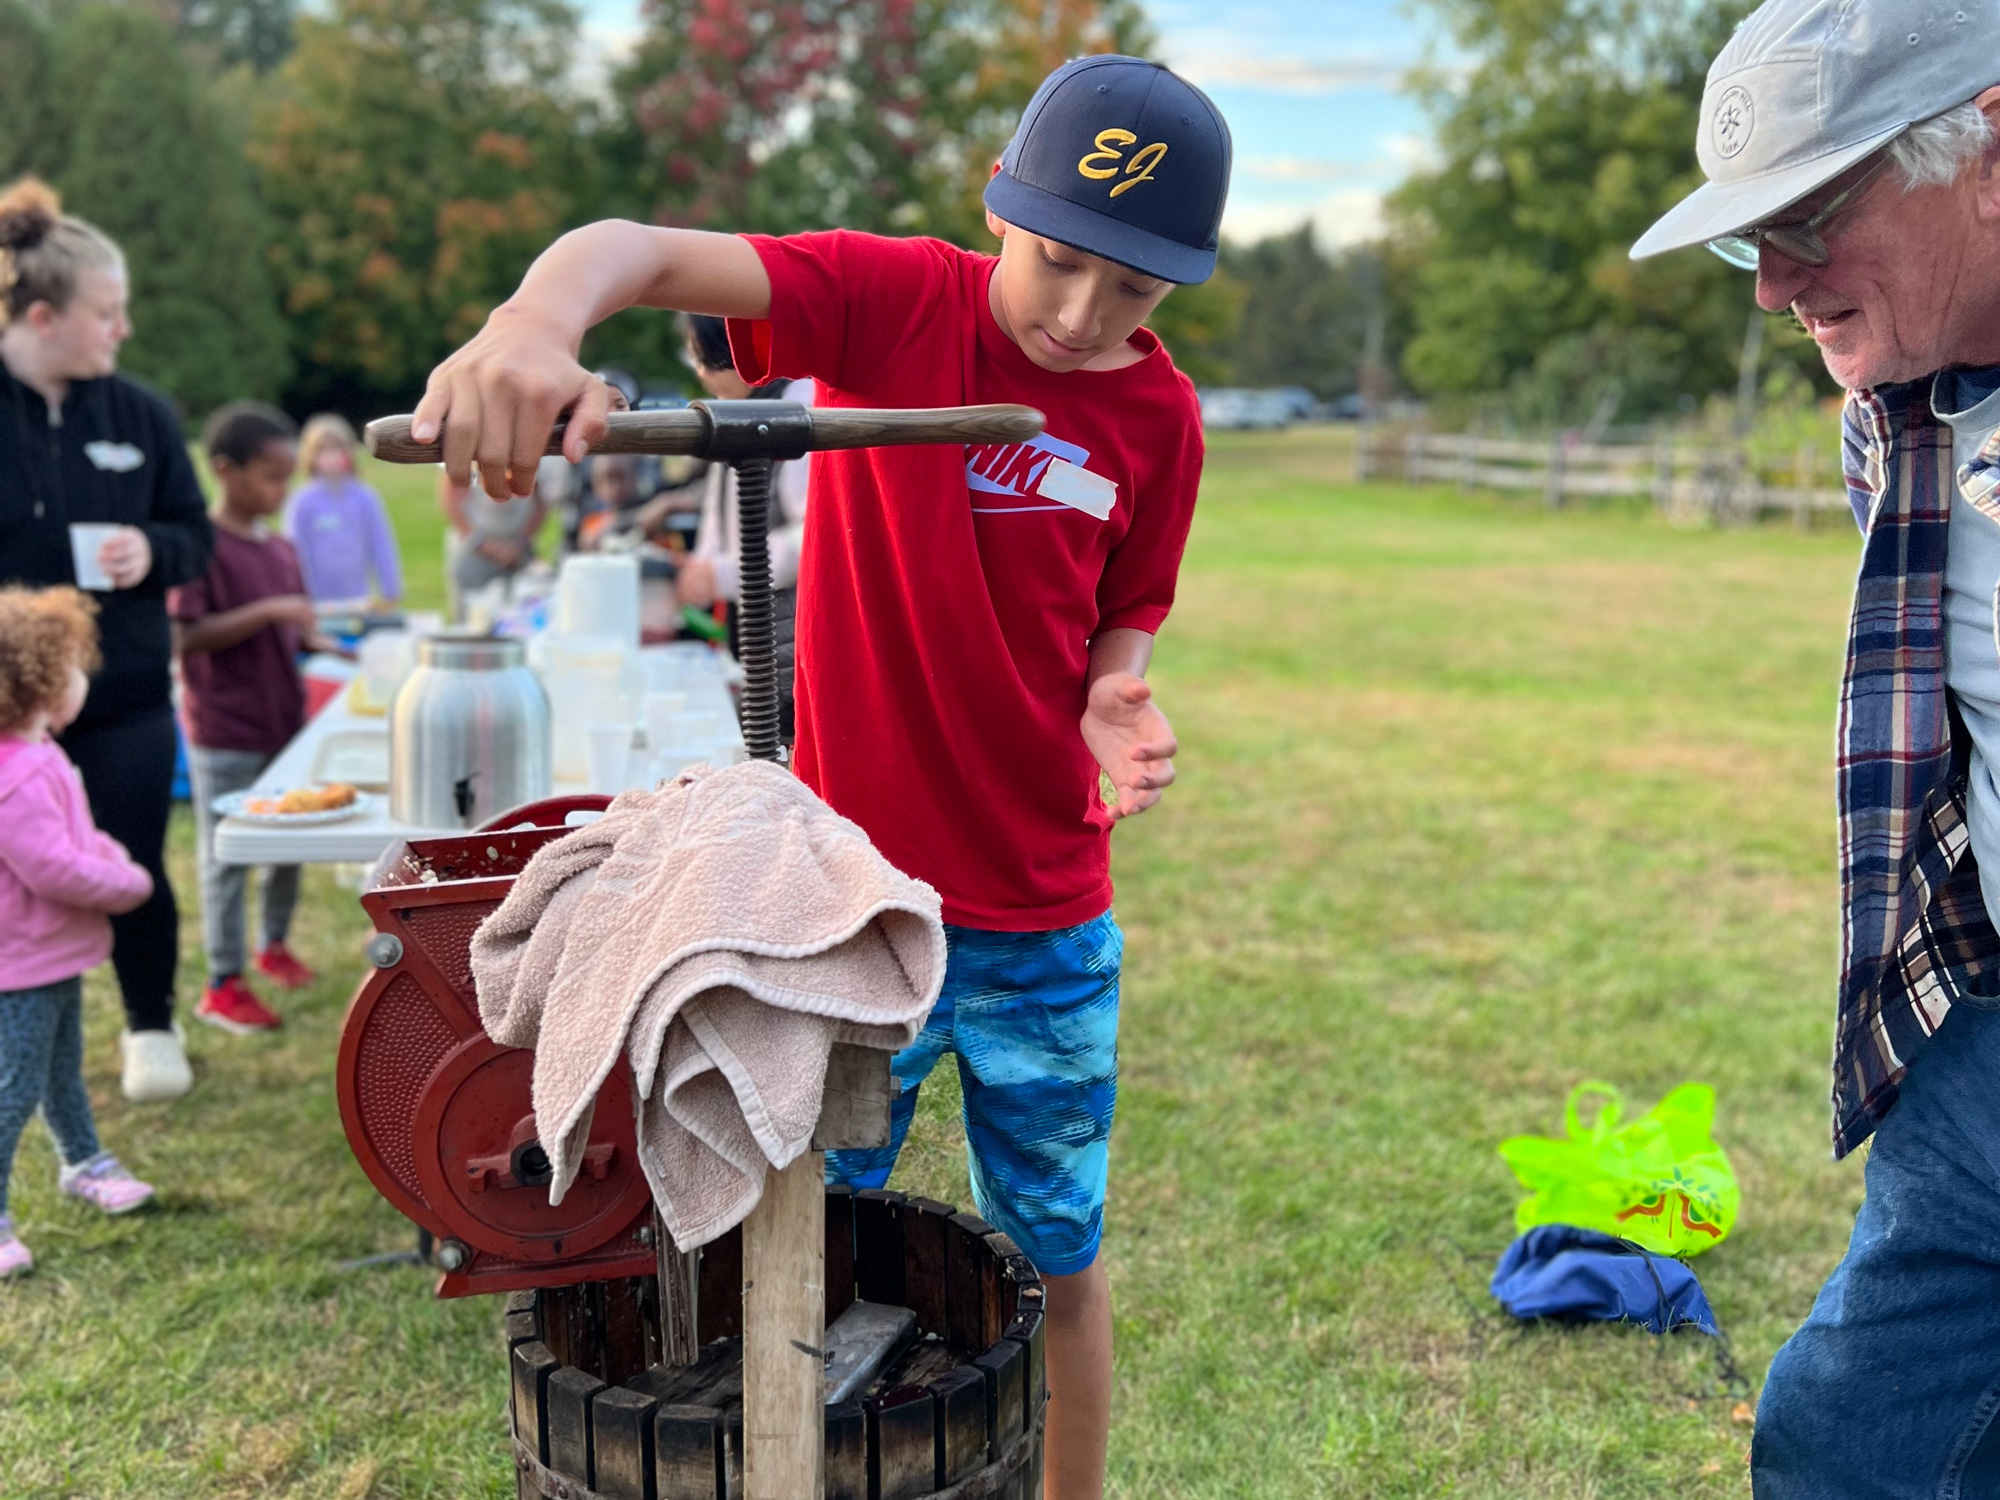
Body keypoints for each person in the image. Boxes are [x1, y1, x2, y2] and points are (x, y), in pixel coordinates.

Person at [410, 55, 1229, 1499]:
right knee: (785, 1234)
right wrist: (536, 319)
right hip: (848, 910)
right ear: (1001, 205)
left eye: (1137, 293)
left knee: (1062, 1262)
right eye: (1057, 262)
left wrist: (1114, 698)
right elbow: (643, 251)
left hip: (1049, 924)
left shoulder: (1159, 419)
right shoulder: (889, 299)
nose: (1083, 317)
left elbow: (1125, 609)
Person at [1631, 3, 2000, 1491]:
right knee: (1845, 1437)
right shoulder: (1890, 416)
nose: (1774, 290)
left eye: (1812, 220)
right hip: (1978, 1036)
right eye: (1750, 239)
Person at [0, 176, 211, 1103]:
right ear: (42, 317)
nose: (121, 330)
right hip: (8, 706)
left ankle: (150, 1026)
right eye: (106, 313)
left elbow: (195, 536)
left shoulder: (145, 415)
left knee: (131, 859)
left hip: (124, 690)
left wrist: (151, 550)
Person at [0, 586, 158, 1278]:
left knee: (60, 1067)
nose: (81, 680)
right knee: (13, 1085)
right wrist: (127, 884)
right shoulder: (20, 773)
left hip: (47, 957)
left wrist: (112, 856)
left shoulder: (38, 755)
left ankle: (83, 1159)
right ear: (38, 683)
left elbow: (79, 835)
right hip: (20, 964)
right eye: (69, 667)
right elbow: (52, 866)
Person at [171, 403, 338, 1035]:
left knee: (287, 845)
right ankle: (223, 982)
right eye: (270, 476)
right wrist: (272, 611)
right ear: (225, 470)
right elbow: (187, 636)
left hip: (283, 726)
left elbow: (291, 633)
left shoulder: (282, 547)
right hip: (225, 732)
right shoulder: (202, 547)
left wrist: (321, 644)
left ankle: (272, 946)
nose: (282, 489)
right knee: (227, 859)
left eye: (287, 476)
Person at [670, 313, 812, 739]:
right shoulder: (739, 411)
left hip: (798, 641)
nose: (698, 371)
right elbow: (719, 521)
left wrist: (721, 573)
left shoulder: (798, 403)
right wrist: (698, 570)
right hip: (756, 639)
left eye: (702, 355)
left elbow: (814, 535)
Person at [284, 413, 402, 606]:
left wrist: (391, 590)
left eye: (336, 448)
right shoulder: (302, 502)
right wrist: (306, 597)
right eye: (321, 449)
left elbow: (381, 546)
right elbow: (296, 553)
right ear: (309, 455)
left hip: (359, 600)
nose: (330, 455)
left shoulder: (366, 498)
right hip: (317, 603)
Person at [440, 468, 544, 621]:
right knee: (472, 618)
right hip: (473, 550)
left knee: (521, 615)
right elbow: (451, 498)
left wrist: (519, 545)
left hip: (517, 550)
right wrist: (480, 543)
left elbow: (540, 502)